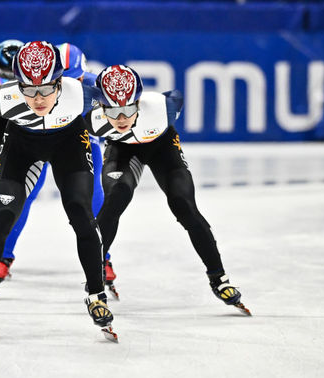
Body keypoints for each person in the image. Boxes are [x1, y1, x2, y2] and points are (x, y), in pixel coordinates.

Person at [0, 41, 118, 341]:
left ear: (62, 81)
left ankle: (96, 293)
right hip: (22, 150)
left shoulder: (85, 93)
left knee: (82, 215)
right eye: (28, 89)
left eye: (47, 89)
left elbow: (129, 104)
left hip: (69, 148)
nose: (38, 99)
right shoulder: (1, 98)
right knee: (2, 217)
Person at [86, 64, 250, 315]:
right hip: (122, 150)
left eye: (128, 109)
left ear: (139, 102)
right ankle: (95, 278)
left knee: (184, 205)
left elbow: (177, 95)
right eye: (113, 110)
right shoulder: (93, 120)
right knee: (114, 200)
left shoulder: (164, 107)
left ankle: (219, 277)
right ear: (101, 106)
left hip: (162, 147)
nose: (121, 118)